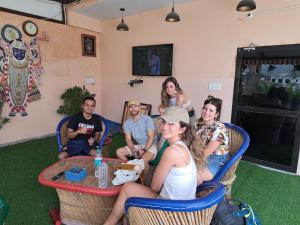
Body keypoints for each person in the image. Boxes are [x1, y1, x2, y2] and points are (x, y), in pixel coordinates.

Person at [104, 107, 202, 225]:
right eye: (164, 122)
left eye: (171, 124)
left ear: (182, 129)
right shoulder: (183, 147)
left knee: (127, 188)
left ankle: (109, 223)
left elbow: (155, 187)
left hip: (172, 211)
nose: (165, 127)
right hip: (182, 207)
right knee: (130, 191)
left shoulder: (172, 151)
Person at [192, 96, 230, 185]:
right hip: (199, 153)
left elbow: (206, 152)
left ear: (216, 114)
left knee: (193, 177)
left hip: (216, 159)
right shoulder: (198, 123)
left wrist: (190, 161)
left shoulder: (220, 129)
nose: (206, 112)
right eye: (205, 108)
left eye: (211, 110)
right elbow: (191, 139)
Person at [116, 100, 158, 175]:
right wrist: (133, 149)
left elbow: (151, 137)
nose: (133, 109)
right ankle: (132, 171)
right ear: (129, 109)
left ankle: (146, 182)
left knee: (143, 159)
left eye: (135, 106)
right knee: (119, 152)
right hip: (139, 145)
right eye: (131, 107)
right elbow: (128, 139)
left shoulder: (147, 119)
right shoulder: (127, 123)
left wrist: (144, 150)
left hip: (151, 145)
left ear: (139, 108)